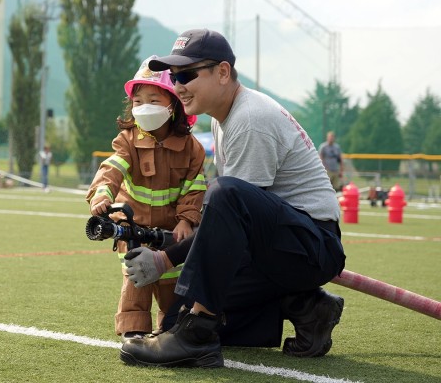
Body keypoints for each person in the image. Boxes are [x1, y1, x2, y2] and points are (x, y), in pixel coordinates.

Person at [119, 29, 346, 367]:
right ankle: (308, 307)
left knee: (224, 194)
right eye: (175, 75)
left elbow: (231, 213)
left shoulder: (250, 120)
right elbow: (227, 230)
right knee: (175, 318)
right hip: (279, 247)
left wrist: (165, 260)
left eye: (187, 74)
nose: (177, 84)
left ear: (223, 73)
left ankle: (197, 337)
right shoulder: (224, 120)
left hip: (311, 246)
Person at [86, 56, 208, 341]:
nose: (144, 107)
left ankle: (171, 331)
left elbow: (195, 187)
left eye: (153, 99)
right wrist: (102, 195)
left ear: (173, 104)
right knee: (135, 281)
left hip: (170, 234)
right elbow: (111, 169)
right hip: (134, 230)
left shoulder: (192, 148)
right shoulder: (127, 140)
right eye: (138, 101)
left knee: (172, 287)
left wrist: (187, 221)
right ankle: (133, 331)